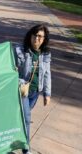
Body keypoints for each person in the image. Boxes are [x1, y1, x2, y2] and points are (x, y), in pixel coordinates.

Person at [14, 25, 51, 154]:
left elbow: (47, 74)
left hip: (35, 92)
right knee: (27, 119)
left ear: (44, 39)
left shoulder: (45, 54)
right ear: (30, 36)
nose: (37, 39)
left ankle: (13, 137)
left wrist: (47, 93)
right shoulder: (20, 50)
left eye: (40, 36)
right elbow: (11, 68)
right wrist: (19, 81)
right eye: (35, 35)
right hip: (22, 90)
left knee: (21, 118)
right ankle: (26, 148)